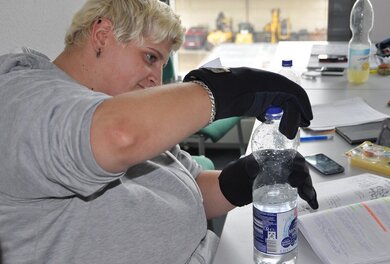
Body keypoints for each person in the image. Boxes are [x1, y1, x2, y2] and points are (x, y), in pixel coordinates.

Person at [0, 0, 318, 263]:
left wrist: (243, 178)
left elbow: (189, 185)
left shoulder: (119, 105)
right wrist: (221, 92)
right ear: (101, 35)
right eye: (149, 57)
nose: (155, 79)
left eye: (161, 65)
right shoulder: (20, 93)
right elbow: (118, 135)